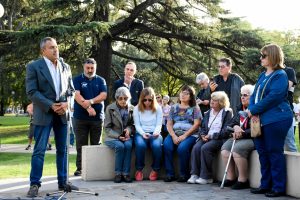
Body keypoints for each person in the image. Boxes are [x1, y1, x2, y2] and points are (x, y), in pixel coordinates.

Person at [25, 37, 77, 197]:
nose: (56, 50)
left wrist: (67, 104)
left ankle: (63, 182)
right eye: (51, 47)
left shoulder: (65, 66)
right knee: (39, 150)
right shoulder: (34, 67)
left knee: (63, 150)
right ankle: (35, 184)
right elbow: (32, 92)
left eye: (56, 46)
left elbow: (71, 91)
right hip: (44, 113)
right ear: (43, 51)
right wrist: (50, 104)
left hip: (62, 113)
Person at [248, 44, 293, 198]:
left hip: (277, 119)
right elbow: (254, 95)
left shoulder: (281, 75)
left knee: (274, 152)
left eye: (264, 55)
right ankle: (265, 184)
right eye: (261, 55)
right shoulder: (262, 75)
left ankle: (278, 187)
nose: (261, 58)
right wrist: (252, 109)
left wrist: (254, 110)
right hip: (259, 120)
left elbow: (274, 97)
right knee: (262, 152)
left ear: (273, 56)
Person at [187, 91, 232, 185]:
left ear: (221, 102)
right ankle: (194, 174)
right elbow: (202, 127)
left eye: (215, 100)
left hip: (219, 138)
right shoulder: (208, 113)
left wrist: (212, 136)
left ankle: (206, 177)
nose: (212, 101)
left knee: (205, 148)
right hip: (206, 137)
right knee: (196, 148)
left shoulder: (227, 112)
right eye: (212, 99)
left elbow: (226, 130)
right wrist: (202, 135)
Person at [73, 58, 107, 176]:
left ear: (95, 68)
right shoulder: (77, 79)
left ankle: (95, 169)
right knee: (80, 144)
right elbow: (76, 95)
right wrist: (88, 108)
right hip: (80, 118)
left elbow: (103, 95)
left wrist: (91, 101)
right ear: (84, 67)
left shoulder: (101, 80)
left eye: (92, 68)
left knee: (96, 144)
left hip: (97, 118)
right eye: (88, 68)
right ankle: (80, 168)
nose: (90, 70)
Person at [163, 85, 202, 182]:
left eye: (186, 93)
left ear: (191, 96)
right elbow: (169, 124)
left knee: (182, 148)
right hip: (174, 133)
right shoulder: (174, 107)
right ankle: (169, 174)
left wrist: (184, 136)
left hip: (190, 134)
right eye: (182, 92)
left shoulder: (195, 108)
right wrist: (173, 136)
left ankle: (183, 174)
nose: (183, 95)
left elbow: (197, 124)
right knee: (167, 146)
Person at [220, 85, 255, 189]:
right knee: (225, 149)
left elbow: (256, 129)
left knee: (238, 150)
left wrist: (243, 133)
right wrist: (235, 127)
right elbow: (230, 124)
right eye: (241, 95)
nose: (242, 97)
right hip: (238, 136)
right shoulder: (239, 107)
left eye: (245, 95)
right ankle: (231, 177)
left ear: (252, 97)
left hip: (252, 137)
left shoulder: (256, 109)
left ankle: (243, 180)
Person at [104, 87, 134, 183]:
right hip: (112, 136)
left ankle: (126, 174)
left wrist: (129, 130)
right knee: (120, 146)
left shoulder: (132, 108)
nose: (123, 101)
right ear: (116, 98)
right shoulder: (110, 108)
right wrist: (117, 136)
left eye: (125, 98)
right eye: (120, 98)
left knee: (128, 145)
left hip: (127, 136)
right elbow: (107, 128)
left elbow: (133, 125)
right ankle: (118, 174)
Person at [133, 87, 163, 181]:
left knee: (157, 146)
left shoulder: (158, 108)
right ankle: (139, 169)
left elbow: (159, 124)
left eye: (150, 100)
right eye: (144, 100)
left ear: (153, 99)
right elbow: (137, 125)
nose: (147, 102)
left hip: (155, 133)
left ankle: (155, 169)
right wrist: (142, 133)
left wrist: (156, 132)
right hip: (140, 133)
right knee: (140, 145)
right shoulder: (137, 108)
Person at [283, 66, 298, 152]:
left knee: (290, 144)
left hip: (286, 113)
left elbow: (285, 88)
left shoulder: (288, 70)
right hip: (273, 114)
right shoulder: (269, 73)